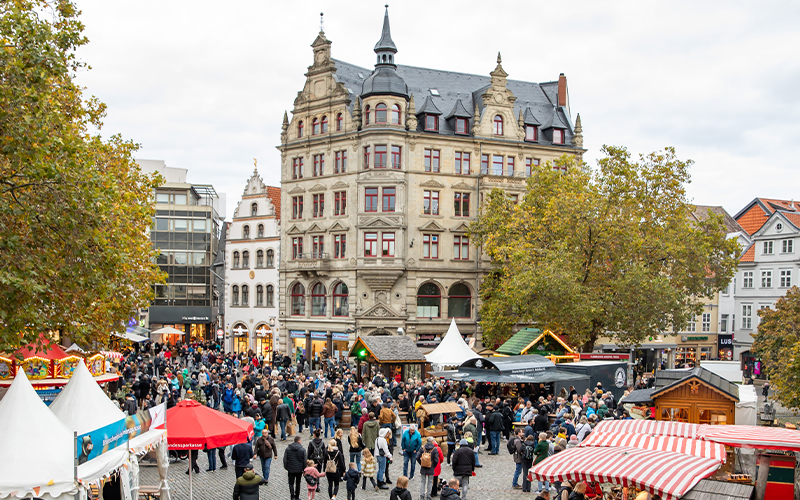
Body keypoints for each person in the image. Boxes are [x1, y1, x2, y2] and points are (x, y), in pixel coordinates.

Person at [284, 435, 307, 500]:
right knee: (298, 483)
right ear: (299, 441)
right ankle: (297, 496)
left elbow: (285, 460)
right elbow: (304, 461)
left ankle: (292, 496)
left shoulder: (288, 449)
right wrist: (304, 469)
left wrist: (287, 467)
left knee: (291, 483)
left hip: (291, 469)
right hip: (299, 469)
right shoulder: (302, 450)